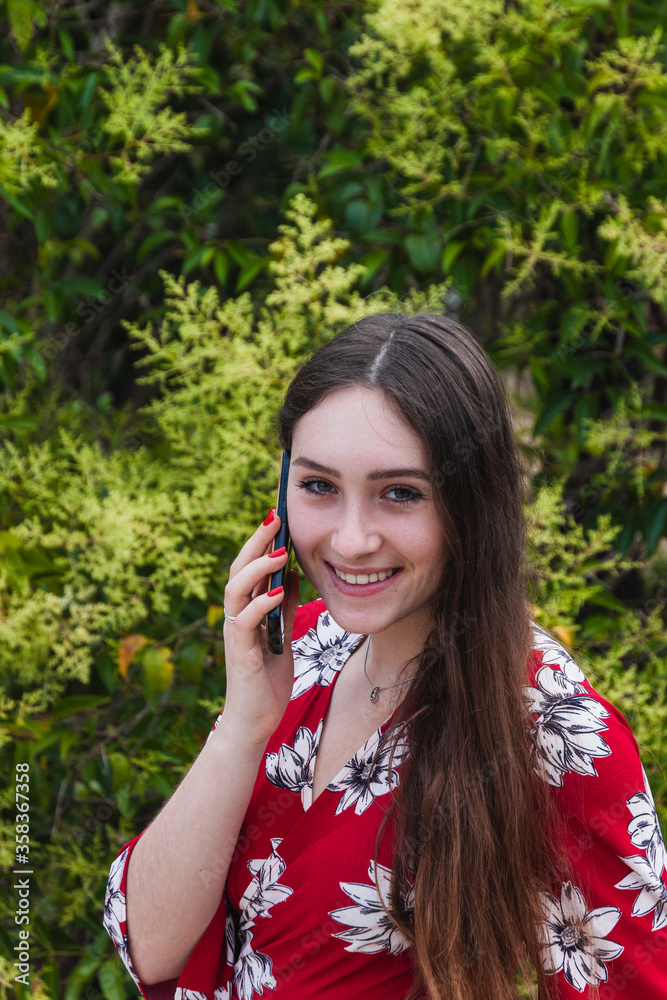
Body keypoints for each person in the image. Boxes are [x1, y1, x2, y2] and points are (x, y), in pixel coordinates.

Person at [103, 313, 667, 1000]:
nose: (350, 539)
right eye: (318, 486)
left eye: (399, 493)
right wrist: (245, 722)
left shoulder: (558, 734)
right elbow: (151, 948)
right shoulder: (304, 648)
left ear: (470, 505)